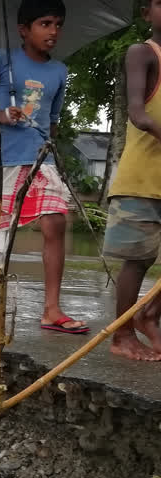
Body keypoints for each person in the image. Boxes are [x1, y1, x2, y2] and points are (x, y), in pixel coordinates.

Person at [0, 0, 89, 334]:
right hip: (4, 159)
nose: (53, 31)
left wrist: (51, 147)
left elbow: (53, 119)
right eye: (45, 24)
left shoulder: (59, 71)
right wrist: (0, 115)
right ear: (23, 29)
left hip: (41, 159)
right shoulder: (0, 61)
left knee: (55, 224)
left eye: (57, 25)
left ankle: (52, 310)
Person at [102, 0, 161, 361]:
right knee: (137, 260)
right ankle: (122, 334)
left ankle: (149, 314)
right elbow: (139, 114)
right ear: (146, 13)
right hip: (141, 179)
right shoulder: (142, 53)